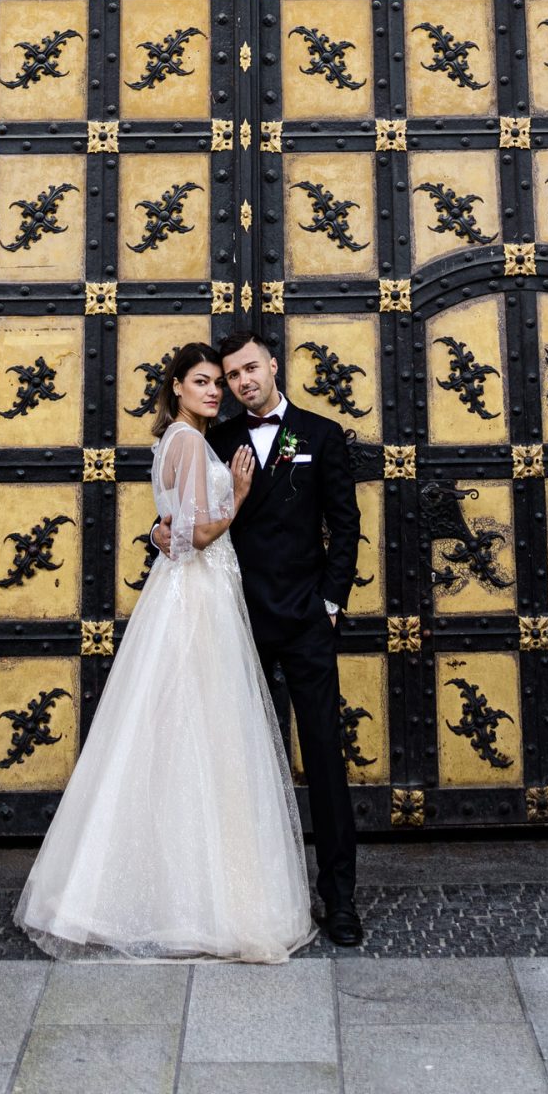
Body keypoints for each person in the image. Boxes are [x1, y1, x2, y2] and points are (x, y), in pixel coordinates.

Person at [14, 342, 314, 962]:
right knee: (204, 730)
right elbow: (196, 536)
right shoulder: (189, 443)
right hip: (198, 598)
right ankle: (199, 900)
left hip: (186, 593)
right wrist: (237, 495)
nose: (214, 391)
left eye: (218, 383)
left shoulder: (175, 441)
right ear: (176, 386)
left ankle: (162, 888)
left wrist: (171, 527)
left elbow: (172, 530)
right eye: (201, 381)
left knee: (177, 730)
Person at [156, 329, 364, 947]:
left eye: (250, 369)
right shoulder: (215, 436)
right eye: (231, 375)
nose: (241, 382)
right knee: (241, 761)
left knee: (323, 755)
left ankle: (340, 898)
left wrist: (330, 603)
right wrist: (155, 533)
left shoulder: (320, 435)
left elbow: (345, 525)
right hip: (237, 621)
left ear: (273, 366)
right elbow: (183, 514)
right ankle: (256, 896)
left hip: (304, 621)